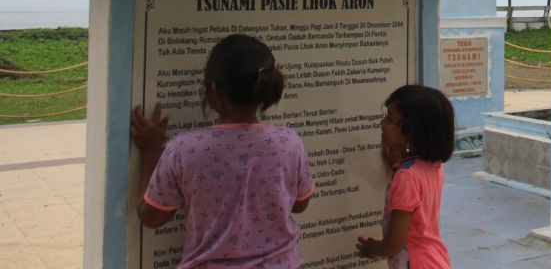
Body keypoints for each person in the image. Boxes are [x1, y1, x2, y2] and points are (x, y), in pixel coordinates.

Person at [130, 34, 314, 268]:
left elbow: (150, 216)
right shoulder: (289, 142)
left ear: (214, 91)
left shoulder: (185, 149)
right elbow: (300, 204)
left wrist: (151, 151)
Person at [355, 84, 454, 268]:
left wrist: (374, 248)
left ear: (411, 132)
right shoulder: (432, 166)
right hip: (435, 258)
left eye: (390, 119)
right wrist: (396, 161)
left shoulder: (406, 177)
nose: (382, 123)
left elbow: (395, 243)